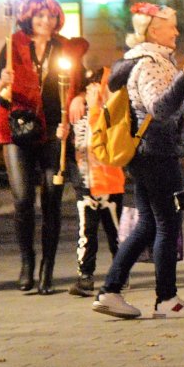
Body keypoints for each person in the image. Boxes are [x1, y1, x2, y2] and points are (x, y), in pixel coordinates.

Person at [94, 3, 184, 319]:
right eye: (171, 26)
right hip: (155, 152)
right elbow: (160, 108)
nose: (177, 32)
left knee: (148, 224)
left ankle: (110, 291)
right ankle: (166, 299)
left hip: (149, 152)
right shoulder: (149, 63)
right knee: (167, 224)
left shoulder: (153, 60)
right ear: (154, 30)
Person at [0, 0, 86, 294]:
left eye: (52, 16)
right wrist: (2, 83)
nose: (46, 21)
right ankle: (27, 262)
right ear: (29, 18)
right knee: (22, 199)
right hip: (16, 130)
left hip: (53, 131)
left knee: (52, 200)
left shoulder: (65, 48)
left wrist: (79, 99)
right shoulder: (13, 44)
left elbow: (81, 84)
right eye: (40, 16)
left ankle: (48, 268)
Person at [68, 68, 124, 297]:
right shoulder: (82, 112)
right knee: (86, 232)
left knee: (115, 233)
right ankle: (85, 276)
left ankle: (120, 274)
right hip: (86, 181)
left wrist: (95, 109)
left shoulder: (112, 112)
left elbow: (105, 138)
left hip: (110, 182)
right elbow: (78, 143)